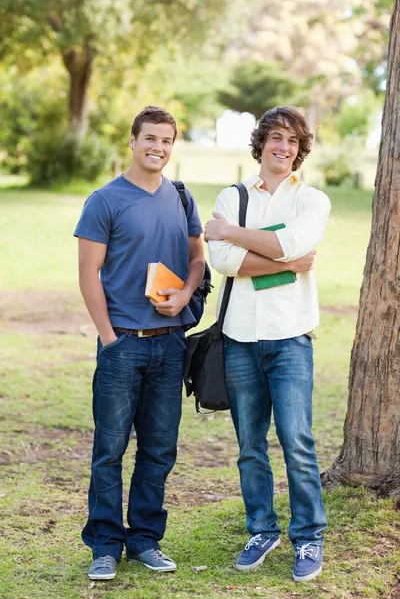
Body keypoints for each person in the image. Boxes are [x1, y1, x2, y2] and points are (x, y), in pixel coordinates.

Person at [74, 106, 204, 580]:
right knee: (109, 449)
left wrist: (187, 294)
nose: (158, 147)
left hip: (170, 347)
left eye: (167, 140)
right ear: (132, 141)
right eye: (150, 138)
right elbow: (88, 274)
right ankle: (105, 544)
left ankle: (145, 539)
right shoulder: (105, 200)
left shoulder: (181, 197)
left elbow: (196, 260)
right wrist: (108, 338)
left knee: (159, 448)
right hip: (121, 344)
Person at [205, 106, 330, 582]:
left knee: (297, 440)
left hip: (291, 339)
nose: (284, 147)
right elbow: (225, 261)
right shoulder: (232, 195)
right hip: (239, 339)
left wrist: (236, 236)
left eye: (293, 141)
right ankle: (261, 528)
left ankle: (309, 537)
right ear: (261, 143)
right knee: (249, 444)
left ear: (300, 151)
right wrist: (282, 258)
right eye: (276, 137)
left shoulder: (311, 200)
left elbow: (290, 245)